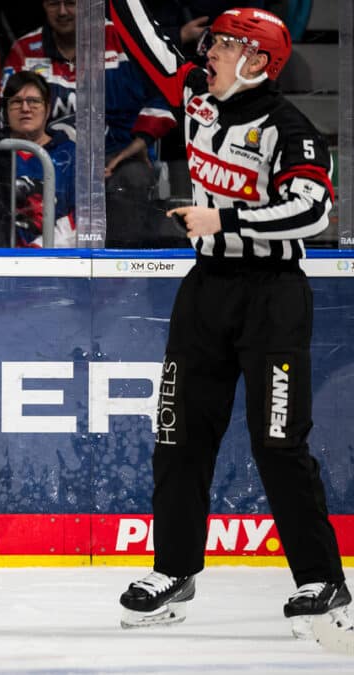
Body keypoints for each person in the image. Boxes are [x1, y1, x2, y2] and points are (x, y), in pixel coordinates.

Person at [109, 1, 349, 636]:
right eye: (210, 43)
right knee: (178, 436)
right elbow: (142, 38)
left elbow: (315, 211)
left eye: (220, 45)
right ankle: (174, 570)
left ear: (257, 60)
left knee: (278, 442)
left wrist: (227, 220)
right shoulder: (195, 95)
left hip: (273, 295)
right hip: (206, 290)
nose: (206, 53)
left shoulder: (291, 128)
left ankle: (322, 582)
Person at [3, 0, 177, 246]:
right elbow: (9, 111)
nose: (63, 12)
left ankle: (118, 278)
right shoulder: (24, 50)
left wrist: (140, 141)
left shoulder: (125, 40)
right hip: (51, 161)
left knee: (131, 180)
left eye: (72, 3)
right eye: (54, 4)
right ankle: (34, 268)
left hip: (118, 159)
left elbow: (169, 89)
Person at [1, 70, 76, 247]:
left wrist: (38, 249)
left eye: (34, 101)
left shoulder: (71, 154)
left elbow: (82, 217)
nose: (25, 108)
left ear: (47, 109)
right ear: (5, 110)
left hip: (55, 261)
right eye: (17, 102)